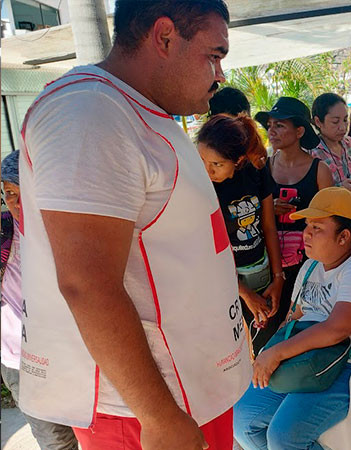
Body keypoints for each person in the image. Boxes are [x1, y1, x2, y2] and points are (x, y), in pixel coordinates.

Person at [17, 1, 251, 449]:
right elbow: (88, 284)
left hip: (183, 395)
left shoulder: (131, 110)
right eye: (214, 54)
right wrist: (159, 418)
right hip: (142, 410)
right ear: (164, 37)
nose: (220, 74)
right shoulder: (89, 112)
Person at [234, 187, 351, 450]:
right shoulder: (311, 266)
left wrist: (276, 355)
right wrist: (269, 350)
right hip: (306, 362)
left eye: (317, 227)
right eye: (307, 225)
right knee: (242, 420)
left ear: (344, 236)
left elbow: (335, 330)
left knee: (284, 436)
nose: (306, 233)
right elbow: (293, 318)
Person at [1, 150, 79, 450]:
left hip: (73, 353)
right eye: (9, 193)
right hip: (18, 358)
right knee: (55, 441)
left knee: (99, 433)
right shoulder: (3, 232)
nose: (17, 203)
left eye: (25, 192)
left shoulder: (68, 229)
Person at [197, 114, 285, 351]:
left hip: (259, 271)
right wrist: (243, 292)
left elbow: (268, 226)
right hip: (221, 280)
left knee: (263, 345)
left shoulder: (256, 169)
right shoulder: (199, 186)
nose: (207, 171)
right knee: (229, 350)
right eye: (201, 159)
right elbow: (205, 250)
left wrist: (278, 279)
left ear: (238, 161)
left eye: (216, 164)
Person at [256, 97, 334, 339]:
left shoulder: (320, 170)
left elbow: (331, 220)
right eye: (269, 125)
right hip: (268, 265)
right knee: (267, 330)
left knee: (302, 329)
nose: (272, 131)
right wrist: (265, 210)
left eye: (280, 125)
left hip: (309, 265)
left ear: (299, 131)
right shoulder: (262, 167)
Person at [310, 93, 351, 194]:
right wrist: (340, 189)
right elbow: (309, 191)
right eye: (335, 122)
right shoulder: (311, 152)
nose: (343, 127)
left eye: (345, 120)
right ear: (318, 122)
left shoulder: (350, 144)